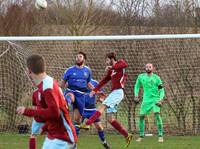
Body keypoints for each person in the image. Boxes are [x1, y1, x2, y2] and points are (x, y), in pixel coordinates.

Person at [16, 54, 77, 149]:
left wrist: (26, 111)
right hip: (54, 135)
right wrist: (44, 128)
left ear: (29, 71)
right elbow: (56, 110)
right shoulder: (46, 84)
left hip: (62, 137)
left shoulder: (48, 87)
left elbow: (54, 113)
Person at [85, 52, 133, 148]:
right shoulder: (112, 71)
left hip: (118, 92)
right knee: (110, 119)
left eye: (107, 60)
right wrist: (94, 90)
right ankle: (127, 135)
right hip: (114, 93)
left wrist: (112, 67)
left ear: (111, 58)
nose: (106, 62)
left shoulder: (120, 63)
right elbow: (104, 80)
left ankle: (87, 124)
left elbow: (125, 65)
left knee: (102, 106)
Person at [61, 51, 93, 136]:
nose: (78, 58)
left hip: (81, 95)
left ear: (84, 59)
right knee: (71, 97)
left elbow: (88, 83)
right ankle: (65, 107)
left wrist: (97, 91)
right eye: (77, 57)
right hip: (71, 91)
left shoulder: (87, 71)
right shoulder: (69, 70)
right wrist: (58, 91)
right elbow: (63, 83)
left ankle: (72, 137)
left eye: (80, 57)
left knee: (78, 120)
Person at [134, 63, 165, 142]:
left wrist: (160, 99)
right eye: (147, 67)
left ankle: (160, 135)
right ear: (145, 68)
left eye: (150, 67)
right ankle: (141, 136)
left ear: (153, 68)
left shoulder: (157, 78)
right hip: (146, 100)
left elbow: (161, 90)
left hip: (155, 99)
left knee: (157, 115)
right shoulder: (141, 77)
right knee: (141, 116)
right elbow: (137, 86)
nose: (148, 68)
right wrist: (136, 95)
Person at [82, 79, 110, 149]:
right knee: (76, 128)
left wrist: (101, 99)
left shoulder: (95, 82)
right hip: (81, 109)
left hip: (92, 110)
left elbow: (102, 95)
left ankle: (104, 143)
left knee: (100, 128)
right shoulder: (80, 81)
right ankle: (71, 144)